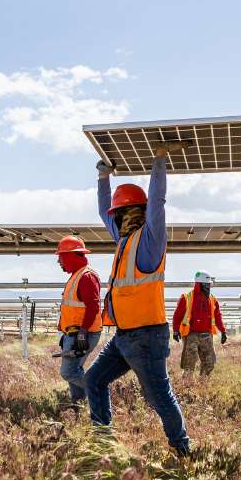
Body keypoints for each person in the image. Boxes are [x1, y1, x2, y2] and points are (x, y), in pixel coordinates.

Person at [85, 145, 192, 457]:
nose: (112, 221)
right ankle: (104, 443)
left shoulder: (150, 240)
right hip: (124, 337)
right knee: (93, 381)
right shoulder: (123, 242)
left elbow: (157, 203)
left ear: (126, 215)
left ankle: (182, 451)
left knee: (159, 397)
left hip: (145, 337)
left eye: (117, 215)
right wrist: (103, 177)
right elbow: (104, 209)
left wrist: (159, 161)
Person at [55, 235, 102, 404]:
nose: (59, 262)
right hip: (75, 333)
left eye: (60, 257)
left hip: (83, 333)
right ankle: (79, 403)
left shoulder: (86, 276)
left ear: (71, 256)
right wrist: (66, 331)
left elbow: (93, 307)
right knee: (75, 369)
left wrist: (82, 333)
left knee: (68, 372)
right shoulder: (77, 275)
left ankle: (98, 389)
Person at [172, 270, 227, 376]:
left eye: (209, 285)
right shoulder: (186, 297)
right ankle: (187, 386)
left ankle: (203, 384)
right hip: (191, 334)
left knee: (209, 362)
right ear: (199, 285)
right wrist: (175, 330)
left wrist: (223, 331)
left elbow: (218, 316)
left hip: (207, 334)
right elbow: (177, 315)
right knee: (190, 362)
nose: (208, 287)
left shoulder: (212, 299)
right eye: (206, 285)